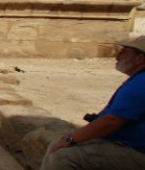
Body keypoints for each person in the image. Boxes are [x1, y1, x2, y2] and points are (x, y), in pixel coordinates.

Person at [39, 35, 145, 170]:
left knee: (63, 157)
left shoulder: (141, 83)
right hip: (125, 142)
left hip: (136, 150)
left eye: (124, 52)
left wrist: (72, 139)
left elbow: (112, 121)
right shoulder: (138, 79)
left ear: (139, 59)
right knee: (56, 144)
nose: (117, 56)